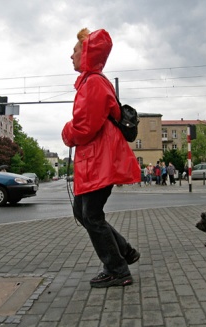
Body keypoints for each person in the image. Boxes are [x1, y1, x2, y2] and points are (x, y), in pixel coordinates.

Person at [61, 28, 141, 288]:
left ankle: (118, 269)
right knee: (83, 212)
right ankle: (124, 252)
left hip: (100, 160)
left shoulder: (93, 82)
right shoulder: (92, 81)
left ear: (85, 53)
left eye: (74, 50)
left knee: (91, 216)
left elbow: (84, 127)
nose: (70, 55)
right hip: (97, 160)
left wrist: (66, 132)